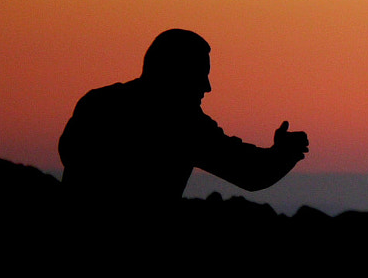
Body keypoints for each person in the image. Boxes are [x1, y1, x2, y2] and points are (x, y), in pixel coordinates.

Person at [59, 28, 310, 215]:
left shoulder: (97, 103)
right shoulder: (184, 125)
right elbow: (250, 173)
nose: (207, 87)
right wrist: (285, 153)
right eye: (200, 76)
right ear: (176, 73)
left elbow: (71, 157)